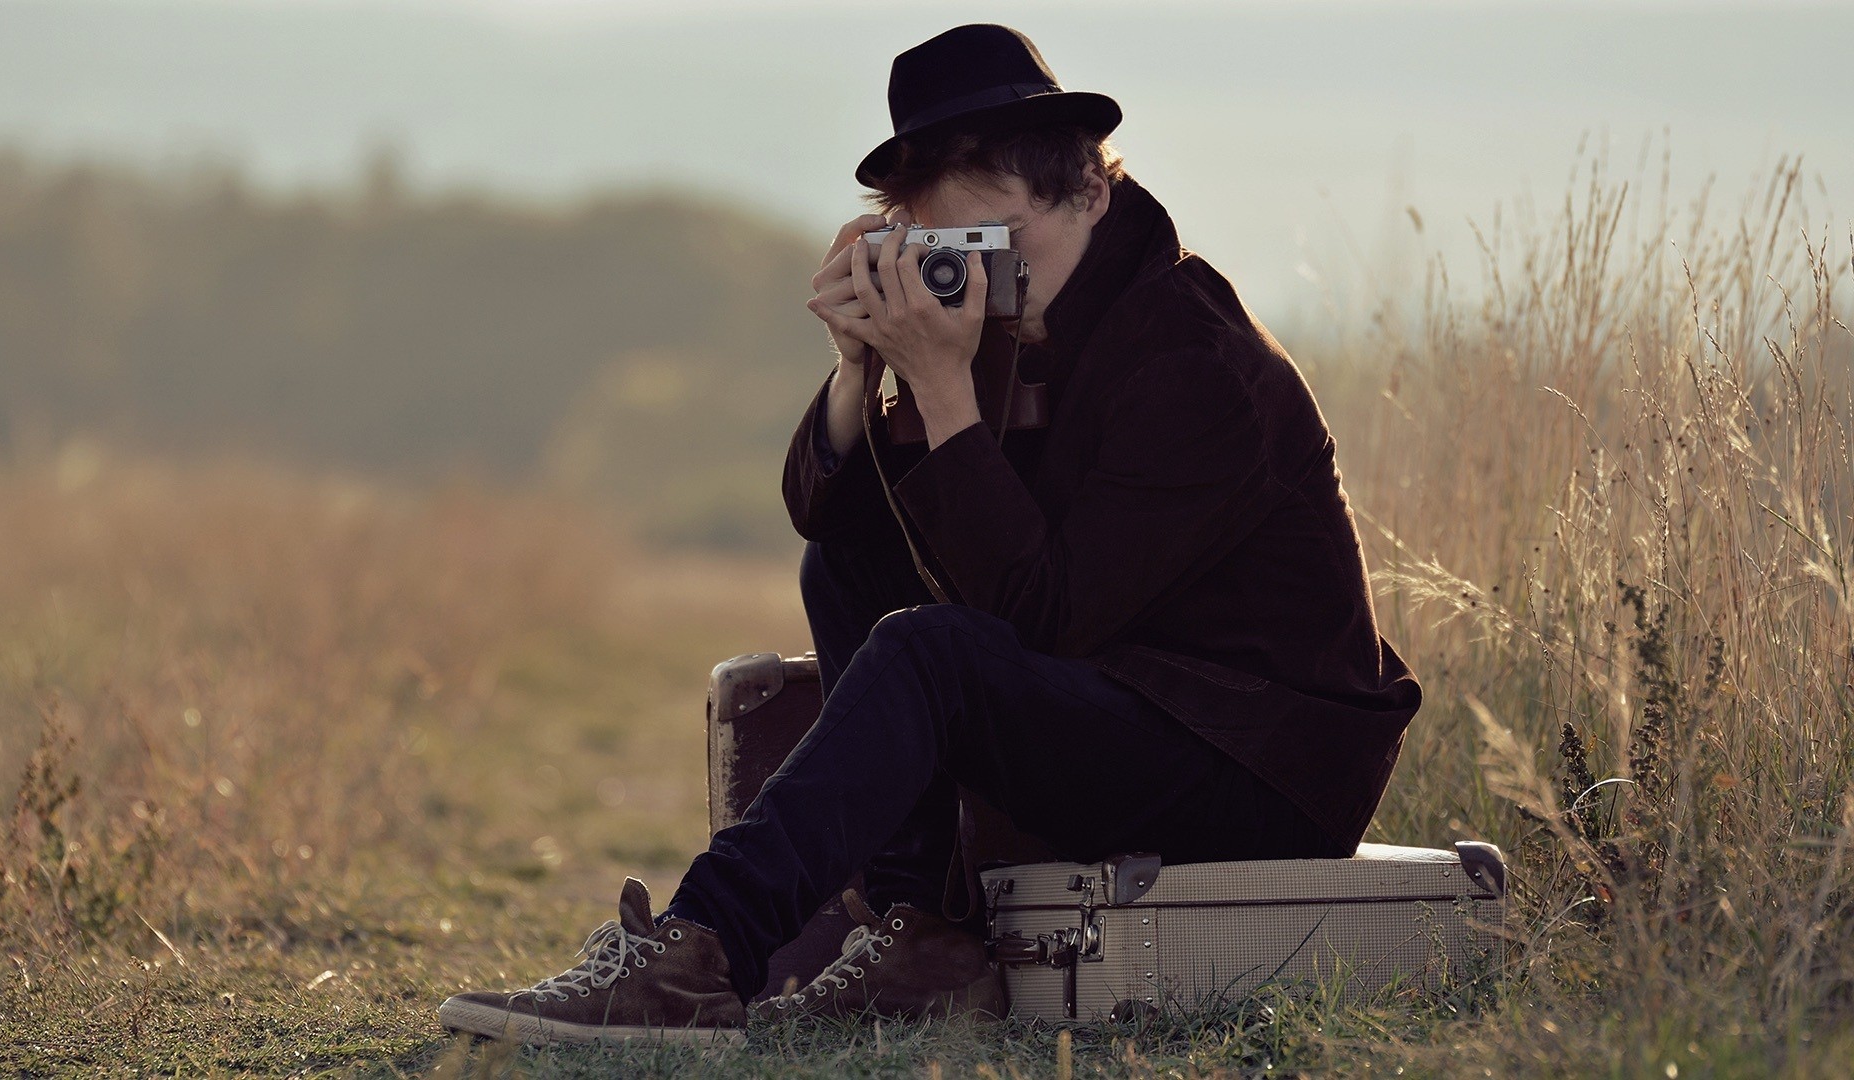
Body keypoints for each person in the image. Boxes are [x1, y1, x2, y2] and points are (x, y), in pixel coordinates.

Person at [437, 23, 1421, 1046]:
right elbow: (833, 516)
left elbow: (1041, 617)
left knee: (931, 650)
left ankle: (700, 950)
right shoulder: (1007, 321)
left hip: (1257, 766)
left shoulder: (1192, 358)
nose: (988, 277)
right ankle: (927, 941)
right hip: (1135, 702)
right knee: (850, 560)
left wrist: (944, 382)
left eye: (1001, 238)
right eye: (954, 253)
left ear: (1090, 188)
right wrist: (859, 368)